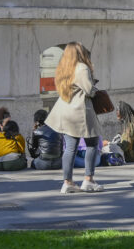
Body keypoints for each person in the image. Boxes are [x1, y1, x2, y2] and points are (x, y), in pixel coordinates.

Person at [44, 42, 104, 193]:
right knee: (92, 143)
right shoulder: (82, 67)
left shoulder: (63, 68)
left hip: (65, 109)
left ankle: (67, 182)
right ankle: (88, 179)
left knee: (70, 147)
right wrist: (94, 86)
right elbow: (89, 90)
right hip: (80, 111)